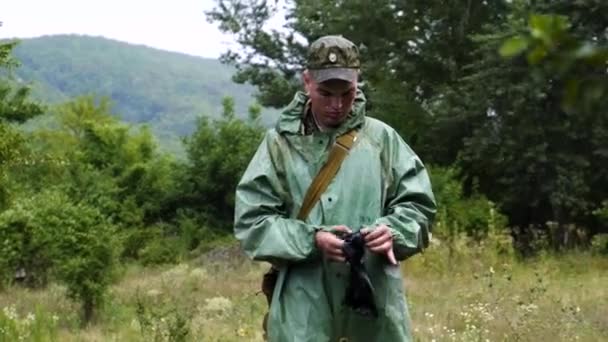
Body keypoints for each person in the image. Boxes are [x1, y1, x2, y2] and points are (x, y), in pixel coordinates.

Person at [233, 35, 436, 342]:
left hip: (375, 311)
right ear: (306, 82)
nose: (337, 105)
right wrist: (312, 240)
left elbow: (419, 209)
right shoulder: (279, 145)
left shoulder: (382, 140)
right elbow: (252, 224)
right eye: (325, 93)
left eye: (347, 93)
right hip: (303, 312)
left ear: (358, 83)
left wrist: (392, 231)